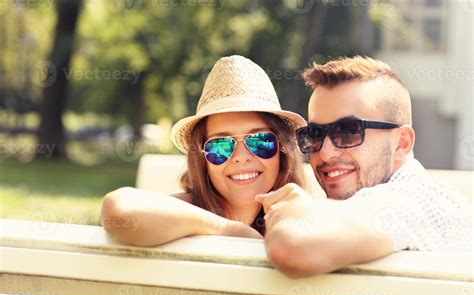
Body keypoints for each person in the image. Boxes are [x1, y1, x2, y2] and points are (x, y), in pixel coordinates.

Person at [256, 56, 472, 278]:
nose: (326, 153)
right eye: (315, 134)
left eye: (348, 131)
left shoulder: (417, 202)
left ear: (402, 143)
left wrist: (289, 212)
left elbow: (293, 248)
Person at [100, 55, 307, 246]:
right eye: (220, 145)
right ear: (200, 157)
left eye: (260, 141)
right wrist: (230, 229)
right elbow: (117, 208)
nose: (241, 157)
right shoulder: (190, 208)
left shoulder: (299, 209)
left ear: (282, 149)